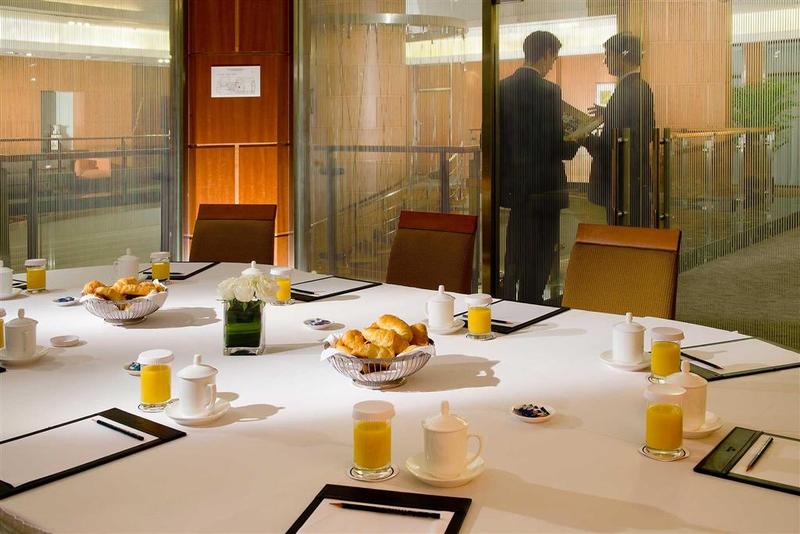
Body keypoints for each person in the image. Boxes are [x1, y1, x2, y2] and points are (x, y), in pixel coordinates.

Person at [499, 31, 579, 304]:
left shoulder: (502, 88)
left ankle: (508, 302)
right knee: (541, 254)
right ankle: (531, 305)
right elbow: (557, 146)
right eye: (553, 59)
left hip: (515, 189)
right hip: (545, 189)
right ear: (546, 54)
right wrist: (575, 139)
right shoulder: (549, 92)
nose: (551, 65)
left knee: (515, 248)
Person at [583, 32, 655, 226]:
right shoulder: (640, 87)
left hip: (620, 183)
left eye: (608, 55)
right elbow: (639, 129)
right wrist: (607, 113)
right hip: (634, 180)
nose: (606, 61)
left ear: (622, 55)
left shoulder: (625, 91)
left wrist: (584, 137)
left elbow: (613, 145)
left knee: (621, 237)